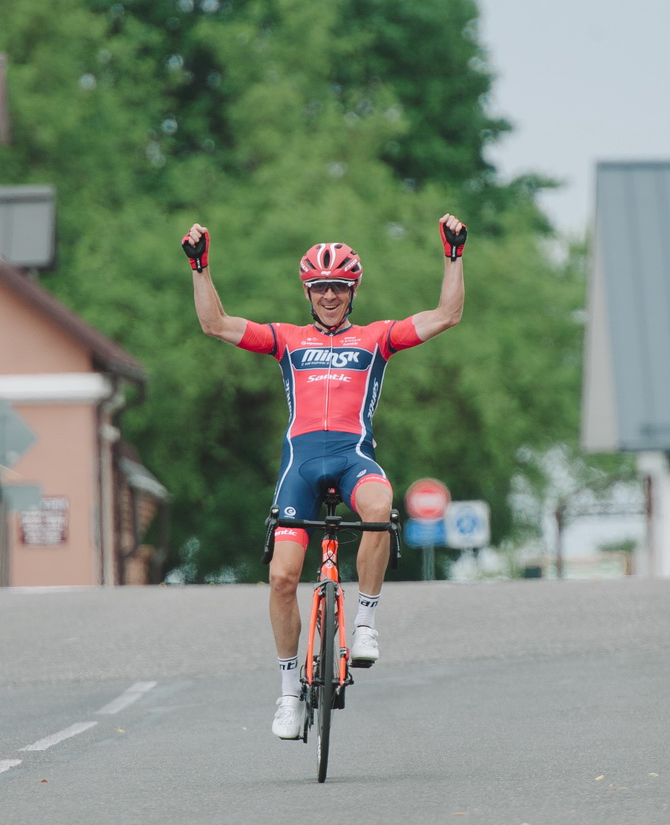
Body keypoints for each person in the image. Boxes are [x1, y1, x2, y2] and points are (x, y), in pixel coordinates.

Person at [183, 214, 467, 739]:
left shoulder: (377, 338)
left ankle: (365, 623)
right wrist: (200, 267)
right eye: (320, 288)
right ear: (308, 293)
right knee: (283, 578)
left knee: (381, 507)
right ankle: (289, 694)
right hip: (301, 465)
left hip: (354, 456)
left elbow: (447, 315)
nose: (330, 296)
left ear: (352, 290)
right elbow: (216, 325)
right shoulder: (287, 340)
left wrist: (453, 256)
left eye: (338, 286)